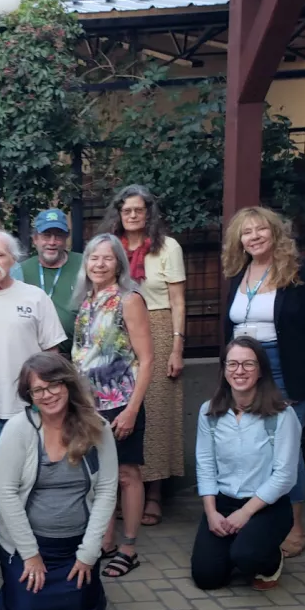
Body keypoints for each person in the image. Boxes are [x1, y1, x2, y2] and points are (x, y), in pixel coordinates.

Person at [222, 206, 305, 558]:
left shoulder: (300, 273)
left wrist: (302, 375)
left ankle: (295, 526)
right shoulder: (238, 273)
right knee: (254, 447)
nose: (253, 237)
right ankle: (261, 517)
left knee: (286, 452)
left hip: (283, 369)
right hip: (243, 369)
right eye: (246, 232)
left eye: (260, 230)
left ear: (275, 233)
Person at [0, 230, 66, 568]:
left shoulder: (35, 297)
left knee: (34, 472)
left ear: (12, 260)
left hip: (33, 405)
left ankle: (31, 533)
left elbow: (52, 353)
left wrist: (53, 397)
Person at [0, 353, 117, 610]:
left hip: (76, 546)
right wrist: (30, 554)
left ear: (68, 384)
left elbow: (108, 489)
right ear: (30, 396)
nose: (47, 394)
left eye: (53, 385)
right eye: (38, 389)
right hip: (30, 546)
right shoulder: (18, 430)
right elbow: (6, 493)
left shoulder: (97, 427)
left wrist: (89, 553)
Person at [99, 186, 185, 526]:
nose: (133, 216)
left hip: (160, 325)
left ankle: (154, 494)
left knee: (157, 411)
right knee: (121, 406)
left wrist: (177, 346)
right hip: (120, 329)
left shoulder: (168, 247)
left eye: (139, 210)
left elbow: (178, 300)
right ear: (118, 214)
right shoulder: (110, 246)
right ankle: (124, 488)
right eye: (126, 210)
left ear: (149, 213)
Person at [72, 233, 154, 579]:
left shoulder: (129, 299)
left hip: (121, 404)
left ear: (119, 262)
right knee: (99, 477)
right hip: (89, 407)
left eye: (107, 258)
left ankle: (129, 546)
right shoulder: (87, 300)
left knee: (126, 474)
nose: (99, 264)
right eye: (93, 258)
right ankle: (105, 540)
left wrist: (132, 409)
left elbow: (147, 359)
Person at [193, 338, 301, 590]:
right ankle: (237, 545)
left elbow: (285, 475)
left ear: (261, 369)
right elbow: (205, 464)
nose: (239, 371)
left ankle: (270, 561)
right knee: (206, 577)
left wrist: (246, 513)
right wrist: (211, 513)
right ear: (223, 369)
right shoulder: (209, 412)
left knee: (247, 556)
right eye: (232, 364)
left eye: (248, 364)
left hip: (266, 505)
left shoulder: (282, 415)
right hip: (224, 501)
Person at [19, 208, 84, 351]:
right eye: (46, 235)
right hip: (32, 357)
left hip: (74, 356)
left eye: (58, 236)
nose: (52, 242)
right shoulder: (21, 271)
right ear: (35, 239)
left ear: (67, 238)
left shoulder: (83, 265)